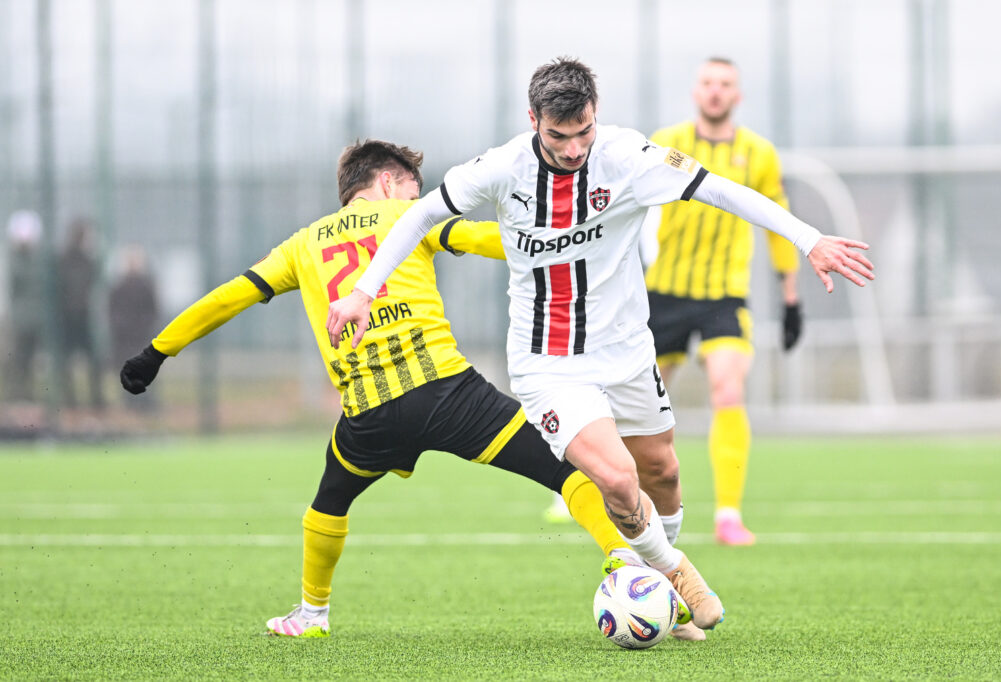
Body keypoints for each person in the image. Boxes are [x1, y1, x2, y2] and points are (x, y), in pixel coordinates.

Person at [326, 57, 874, 636]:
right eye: (558, 136)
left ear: (596, 114)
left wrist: (808, 239)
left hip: (627, 351)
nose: (573, 149)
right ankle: (677, 573)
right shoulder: (503, 168)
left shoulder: (629, 156)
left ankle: (657, 594)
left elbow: (721, 191)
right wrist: (363, 290)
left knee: (662, 470)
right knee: (616, 478)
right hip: (547, 362)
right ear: (533, 120)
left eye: (583, 132)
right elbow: (419, 216)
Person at [120, 140, 656, 640]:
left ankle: (312, 614)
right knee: (564, 469)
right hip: (450, 394)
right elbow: (489, 239)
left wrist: (156, 353)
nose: (418, 200)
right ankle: (622, 557)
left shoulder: (302, 244)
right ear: (387, 182)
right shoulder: (411, 218)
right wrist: (585, 245)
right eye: (413, 189)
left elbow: (226, 298)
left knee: (328, 503)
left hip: (369, 414)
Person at [642, 57, 801, 545]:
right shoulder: (668, 143)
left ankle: (728, 515)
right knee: (639, 403)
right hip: (664, 292)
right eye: (708, 83)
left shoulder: (759, 153)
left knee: (728, 392)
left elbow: (777, 221)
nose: (716, 91)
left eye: (725, 84)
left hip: (724, 296)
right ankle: (605, 497)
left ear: (738, 95)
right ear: (696, 92)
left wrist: (791, 298)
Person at [59, 217, 105, 409]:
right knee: (68, 360)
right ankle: (72, 400)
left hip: (83, 315)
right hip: (69, 317)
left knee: (92, 359)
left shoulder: (88, 260)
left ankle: (95, 399)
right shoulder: (64, 260)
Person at [108, 245, 160, 411]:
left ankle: (146, 402)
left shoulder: (146, 286)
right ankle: (130, 401)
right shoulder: (118, 287)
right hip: (124, 337)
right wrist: (122, 326)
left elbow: (152, 310)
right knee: (128, 368)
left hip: (142, 336)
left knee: (146, 367)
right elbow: (112, 310)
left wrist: (143, 326)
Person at [4, 210, 45, 402]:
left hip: (34, 319)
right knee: (18, 359)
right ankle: (17, 394)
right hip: (21, 320)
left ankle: (26, 394)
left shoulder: (38, 261)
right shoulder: (14, 261)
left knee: (30, 360)